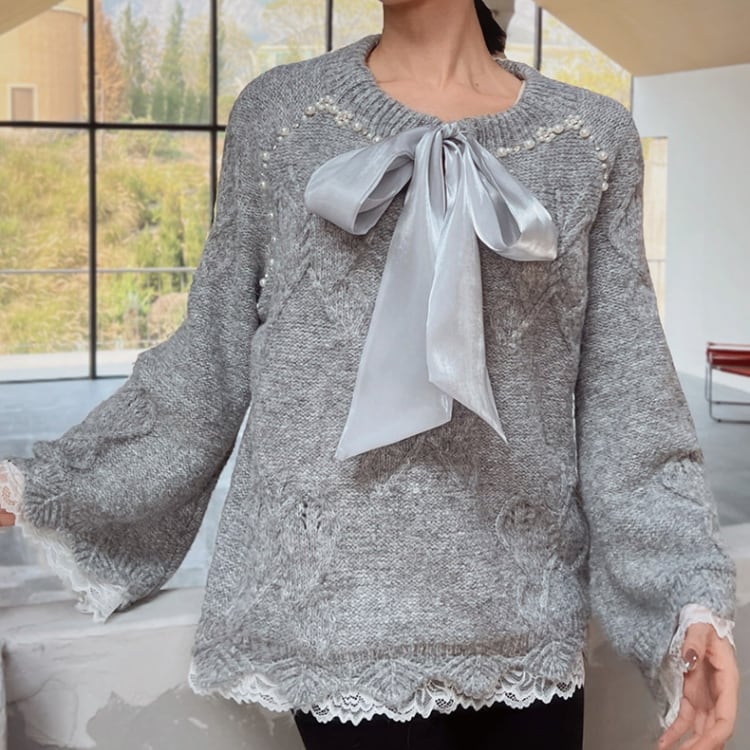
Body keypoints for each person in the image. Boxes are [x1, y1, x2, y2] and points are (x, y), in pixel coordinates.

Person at [0, 1, 740, 748]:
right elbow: (209, 360)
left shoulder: (591, 139)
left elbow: (628, 400)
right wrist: (47, 483)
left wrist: (690, 599)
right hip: (333, 626)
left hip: (528, 626)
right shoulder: (282, 116)